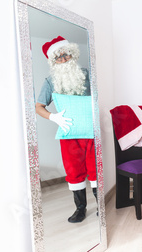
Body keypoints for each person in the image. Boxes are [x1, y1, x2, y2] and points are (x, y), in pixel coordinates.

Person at [35, 36, 97, 223]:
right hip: (69, 132)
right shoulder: (50, 82)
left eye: (65, 54)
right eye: (58, 57)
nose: (63, 59)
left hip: (91, 132)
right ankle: (80, 208)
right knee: (74, 171)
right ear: (53, 62)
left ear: (72, 54)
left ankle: (99, 204)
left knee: (95, 169)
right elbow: (38, 106)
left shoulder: (87, 75)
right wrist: (54, 117)